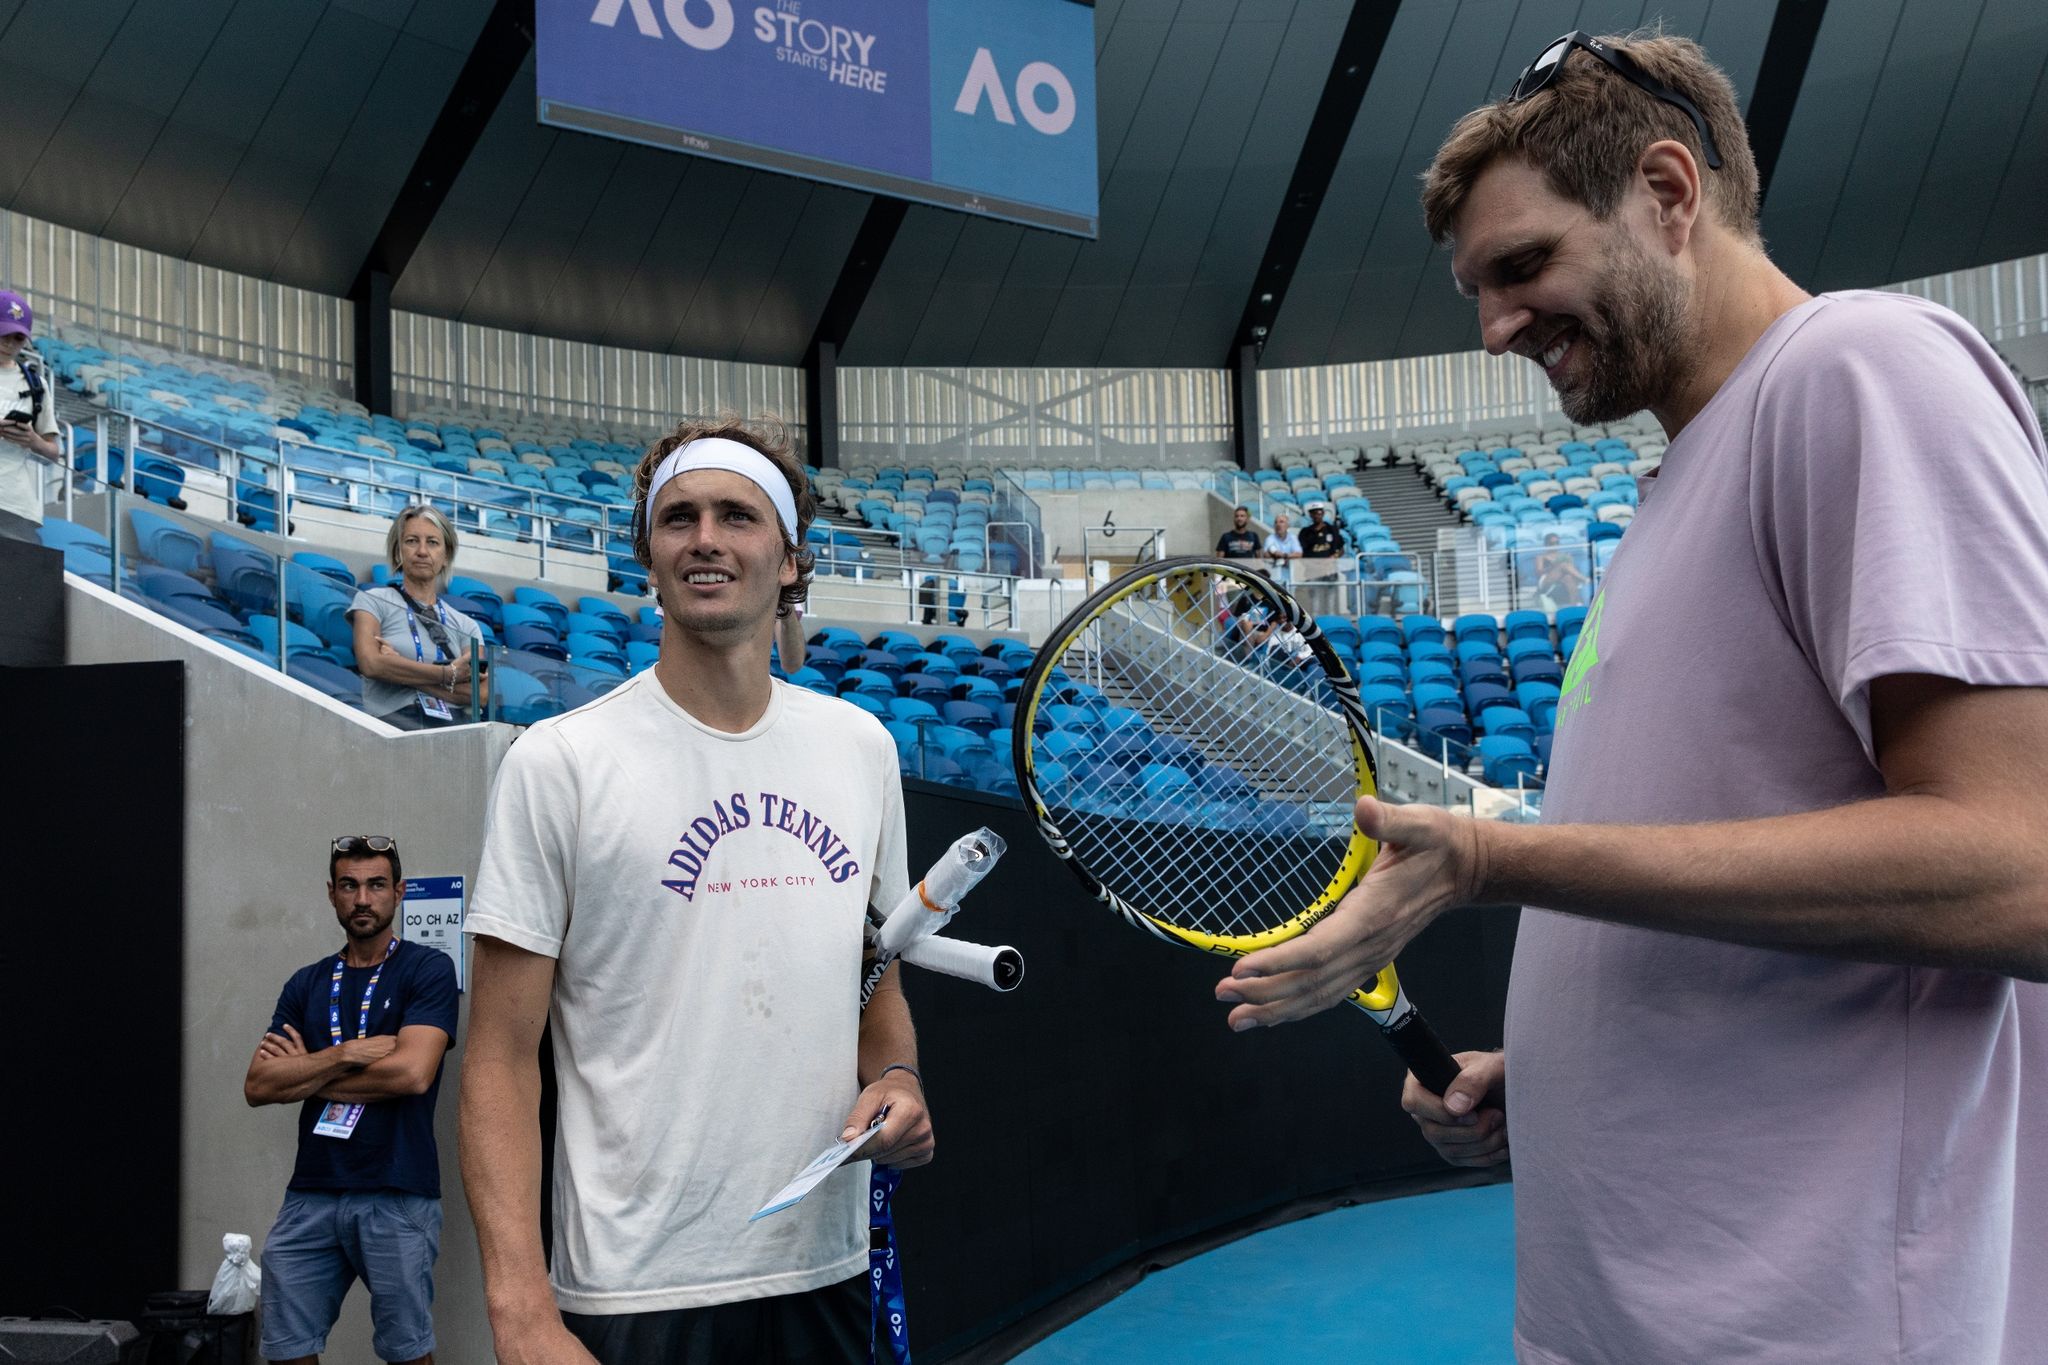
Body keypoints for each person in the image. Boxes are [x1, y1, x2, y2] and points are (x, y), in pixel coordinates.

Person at [1213, 31, 2048, 1364]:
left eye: (1522, 267)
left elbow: (2020, 871)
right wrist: (1556, 1081)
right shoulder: (1682, 476)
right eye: (1476, 290)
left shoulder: (1857, 367)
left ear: (1668, 192)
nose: (1493, 328)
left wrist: (1491, 859)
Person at [460, 417, 933, 1365]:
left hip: (824, 1271)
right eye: (678, 518)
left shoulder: (861, 749)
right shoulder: (559, 763)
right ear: (649, 554)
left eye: (736, 516)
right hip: (635, 1291)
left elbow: (874, 980)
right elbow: (499, 1058)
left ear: (790, 558)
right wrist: (520, 1312)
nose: (705, 538)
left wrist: (898, 1077)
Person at [243, 836, 458, 1365]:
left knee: (406, 1351)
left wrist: (307, 1072)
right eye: (349, 885)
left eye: (376, 885)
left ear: (398, 893)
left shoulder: (427, 970)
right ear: (332, 894)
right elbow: (259, 1085)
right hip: (311, 1192)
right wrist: (346, 1054)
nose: (363, 898)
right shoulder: (306, 983)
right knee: (286, 1345)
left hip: (396, 1191)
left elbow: (412, 1074)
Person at [348, 506, 486, 729]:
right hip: (393, 726)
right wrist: (449, 674)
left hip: (454, 730)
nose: (422, 551)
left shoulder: (467, 626)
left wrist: (398, 669)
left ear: (446, 556)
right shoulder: (372, 600)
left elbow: (480, 693)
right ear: (398, 552)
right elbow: (371, 664)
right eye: (412, 541)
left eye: (433, 542)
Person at [0, 290, 65, 545]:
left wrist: (33, 441)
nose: (9, 343)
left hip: (16, 506)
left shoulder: (35, 385)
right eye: (4, 334)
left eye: (18, 338)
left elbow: (53, 452)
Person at [1529, 531, 1589, 610]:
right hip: (1546, 580)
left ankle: (1574, 605)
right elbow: (1538, 573)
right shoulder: (1541, 557)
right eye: (1552, 543)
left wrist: (1569, 560)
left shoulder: (1564, 555)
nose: (1555, 545)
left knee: (1568, 578)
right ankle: (1584, 579)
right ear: (1546, 544)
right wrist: (1552, 567)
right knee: (1562, 565)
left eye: (1557, 543)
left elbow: (1572, 569)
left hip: (1562, 578)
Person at [1260, 512, 1302, 585]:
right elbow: (1266, 554)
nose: (1278, 524)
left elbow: (1299, 554)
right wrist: (1279, 554)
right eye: (1276, 522)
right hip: (1273, 578)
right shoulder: (1270, 538)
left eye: (1281, 522)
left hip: (1290, 578)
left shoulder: (1293, 538)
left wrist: (1284, 555)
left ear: (1287, 525)